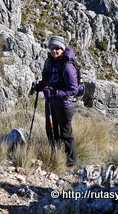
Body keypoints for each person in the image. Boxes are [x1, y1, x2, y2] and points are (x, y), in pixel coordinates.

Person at [33, 35, 78, 167]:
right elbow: (48, 80)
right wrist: (41, 85)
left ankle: (71, 164)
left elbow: (73, 90)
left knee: (66, 134)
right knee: (51, 132)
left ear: (63, 49)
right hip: (51, 103)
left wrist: (55, 93)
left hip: (64, 105)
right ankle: (56, 157)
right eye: (52, 47)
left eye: (58, 48)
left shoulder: (67, 66)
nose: (55, 51)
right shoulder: (49, 62)